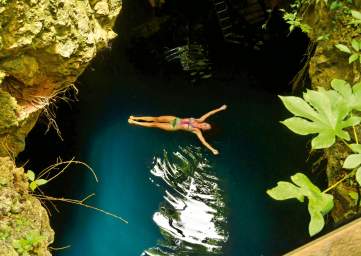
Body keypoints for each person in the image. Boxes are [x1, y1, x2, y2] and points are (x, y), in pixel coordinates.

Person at [128, 105, 227, 155]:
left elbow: (203, 142)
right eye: (206, 124)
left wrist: (212, 149)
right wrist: (220, 109)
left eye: (206, 127)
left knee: (155, 124)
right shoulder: (199, 120)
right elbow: (210, 113)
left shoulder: (197, 131)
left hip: (173, 127)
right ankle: (135, 117)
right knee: (156, 118)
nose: (205, 125)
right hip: (175, 119)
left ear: (204, 130)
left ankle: (135, 122)